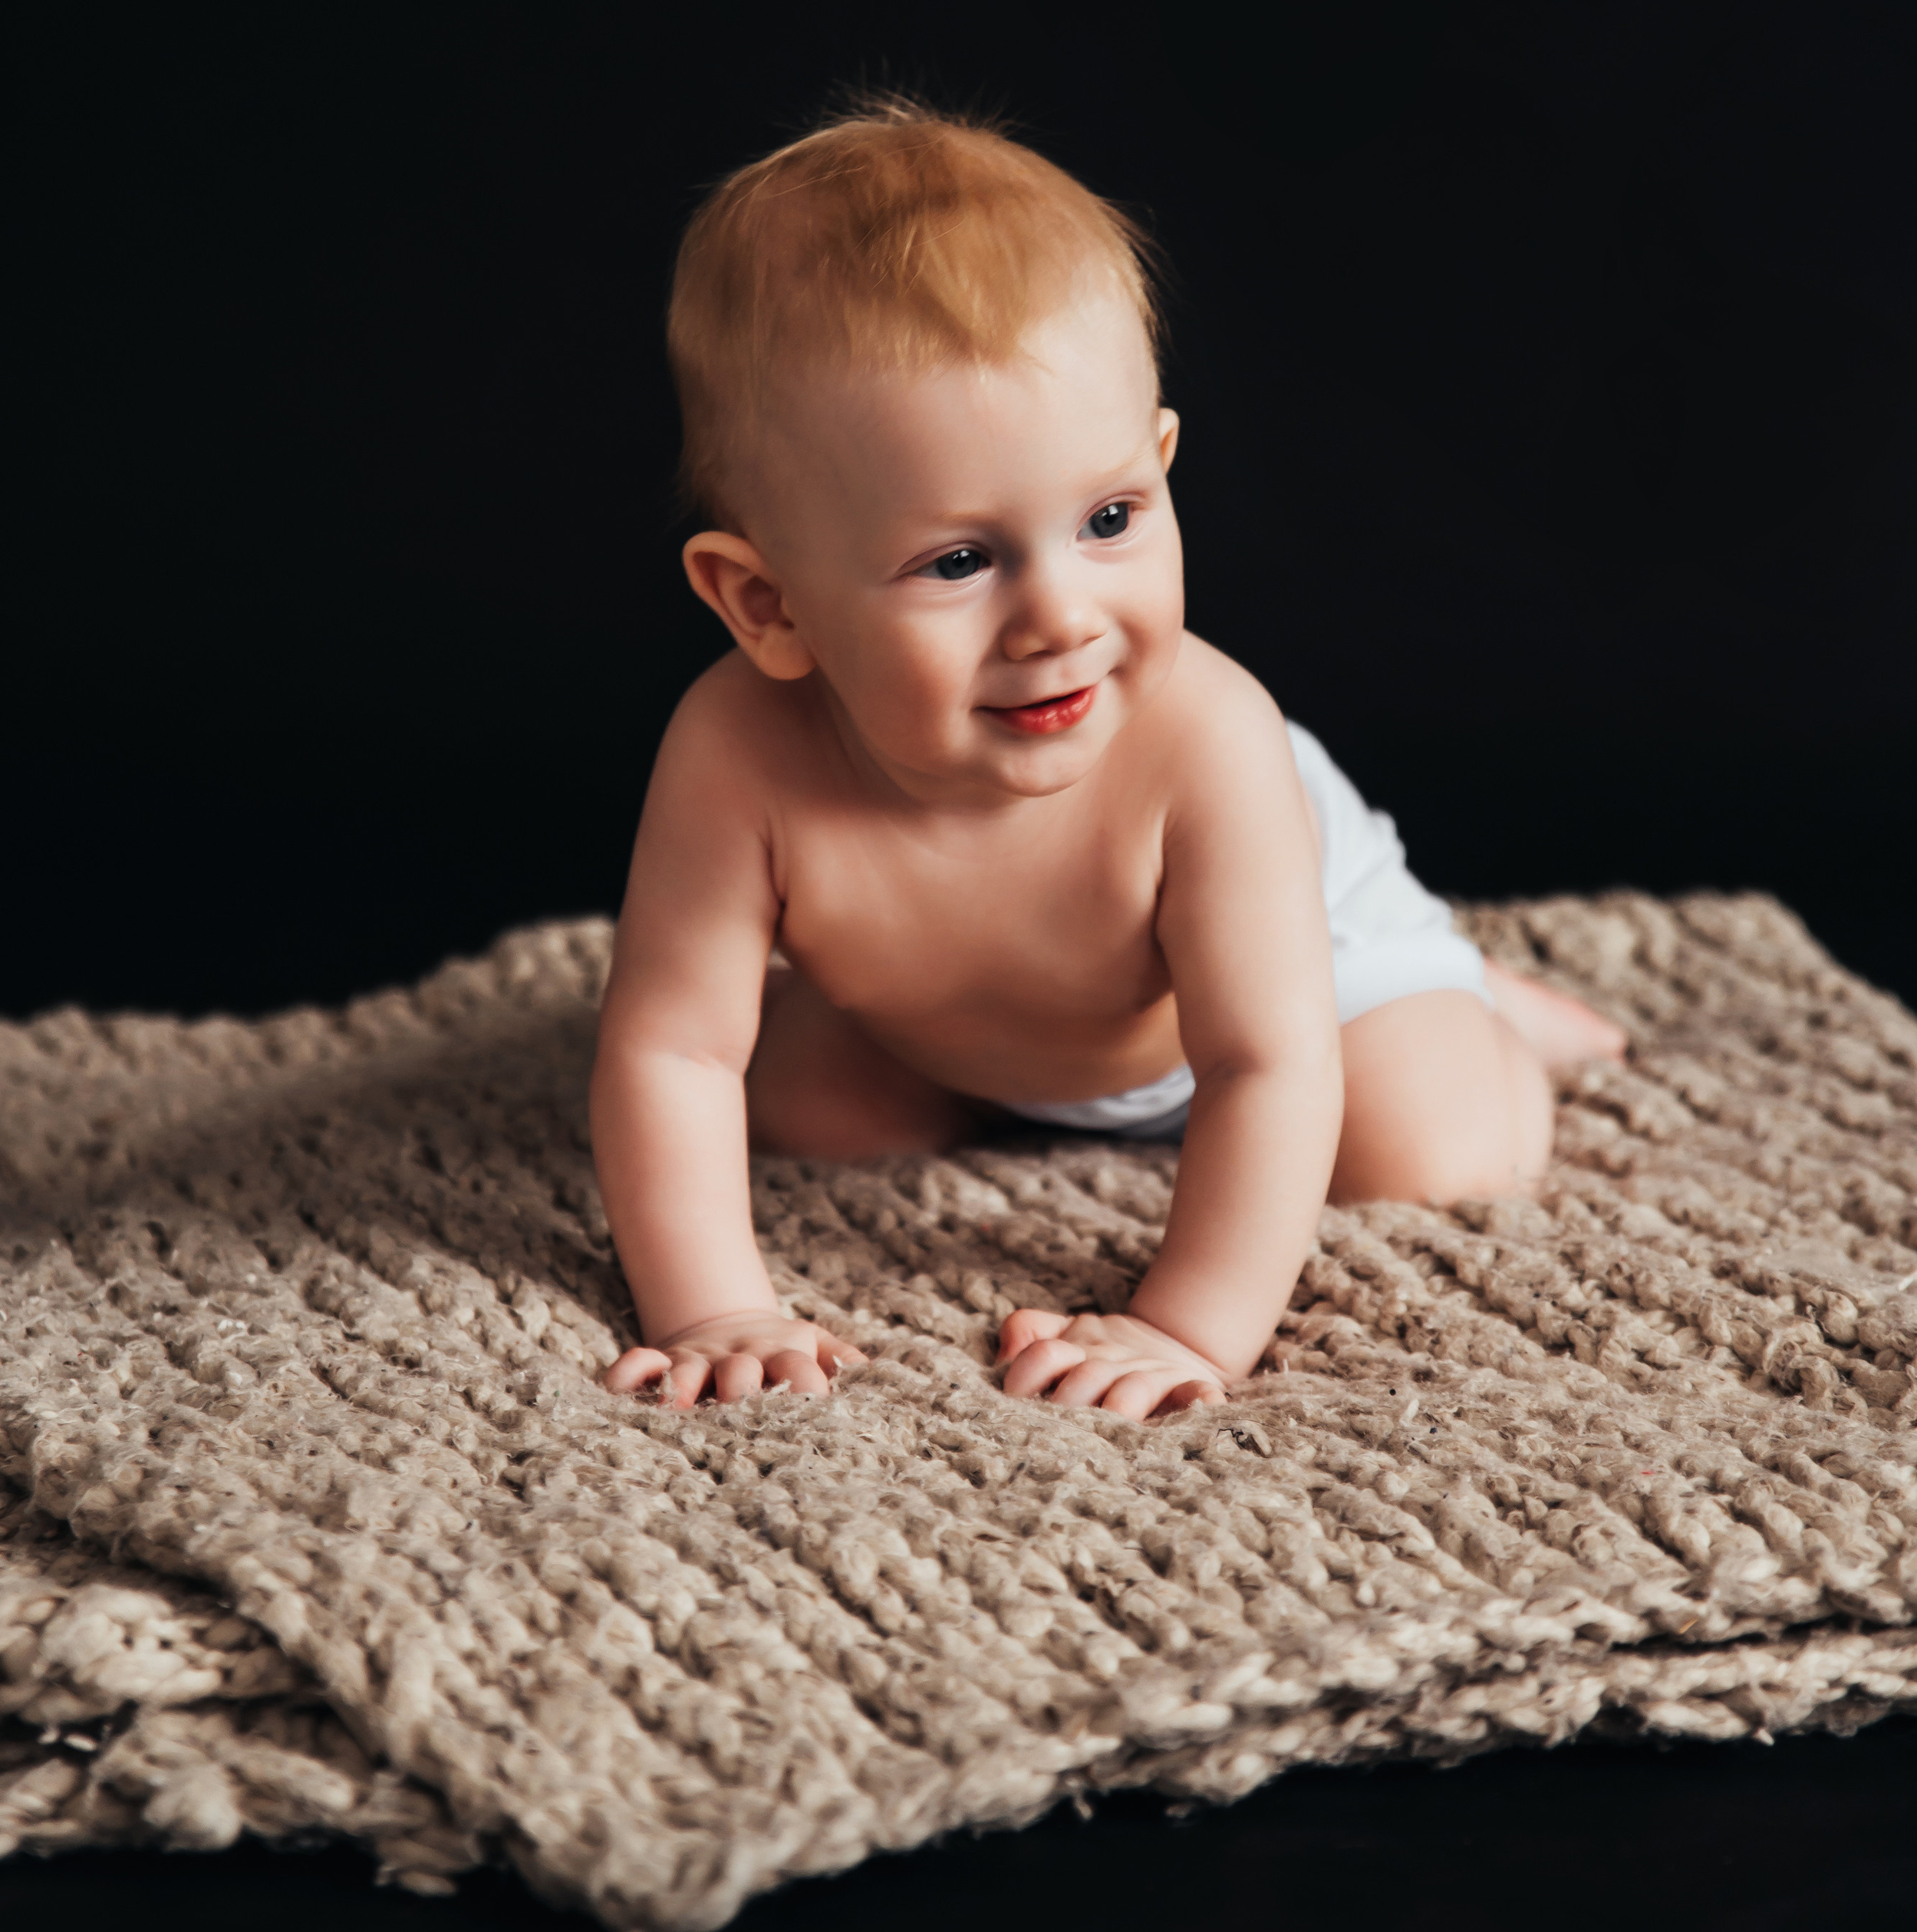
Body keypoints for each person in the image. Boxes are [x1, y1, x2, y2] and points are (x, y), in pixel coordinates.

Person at [591, 99, 1623, 1422]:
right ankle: (989, 1065)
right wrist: (717, 1311)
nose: (1061, 616)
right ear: (768, 606)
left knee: (1427, 1151)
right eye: (960, 561)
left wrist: (1184, 1328)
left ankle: (1490, 1015)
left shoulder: (1208, 741)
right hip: (979, 1022)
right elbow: (671, 1051)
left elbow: (1265, 1062)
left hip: (1294, 993)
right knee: (806, 1108)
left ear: (1164, 467)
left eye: (1112, 518)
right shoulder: (734, 751)